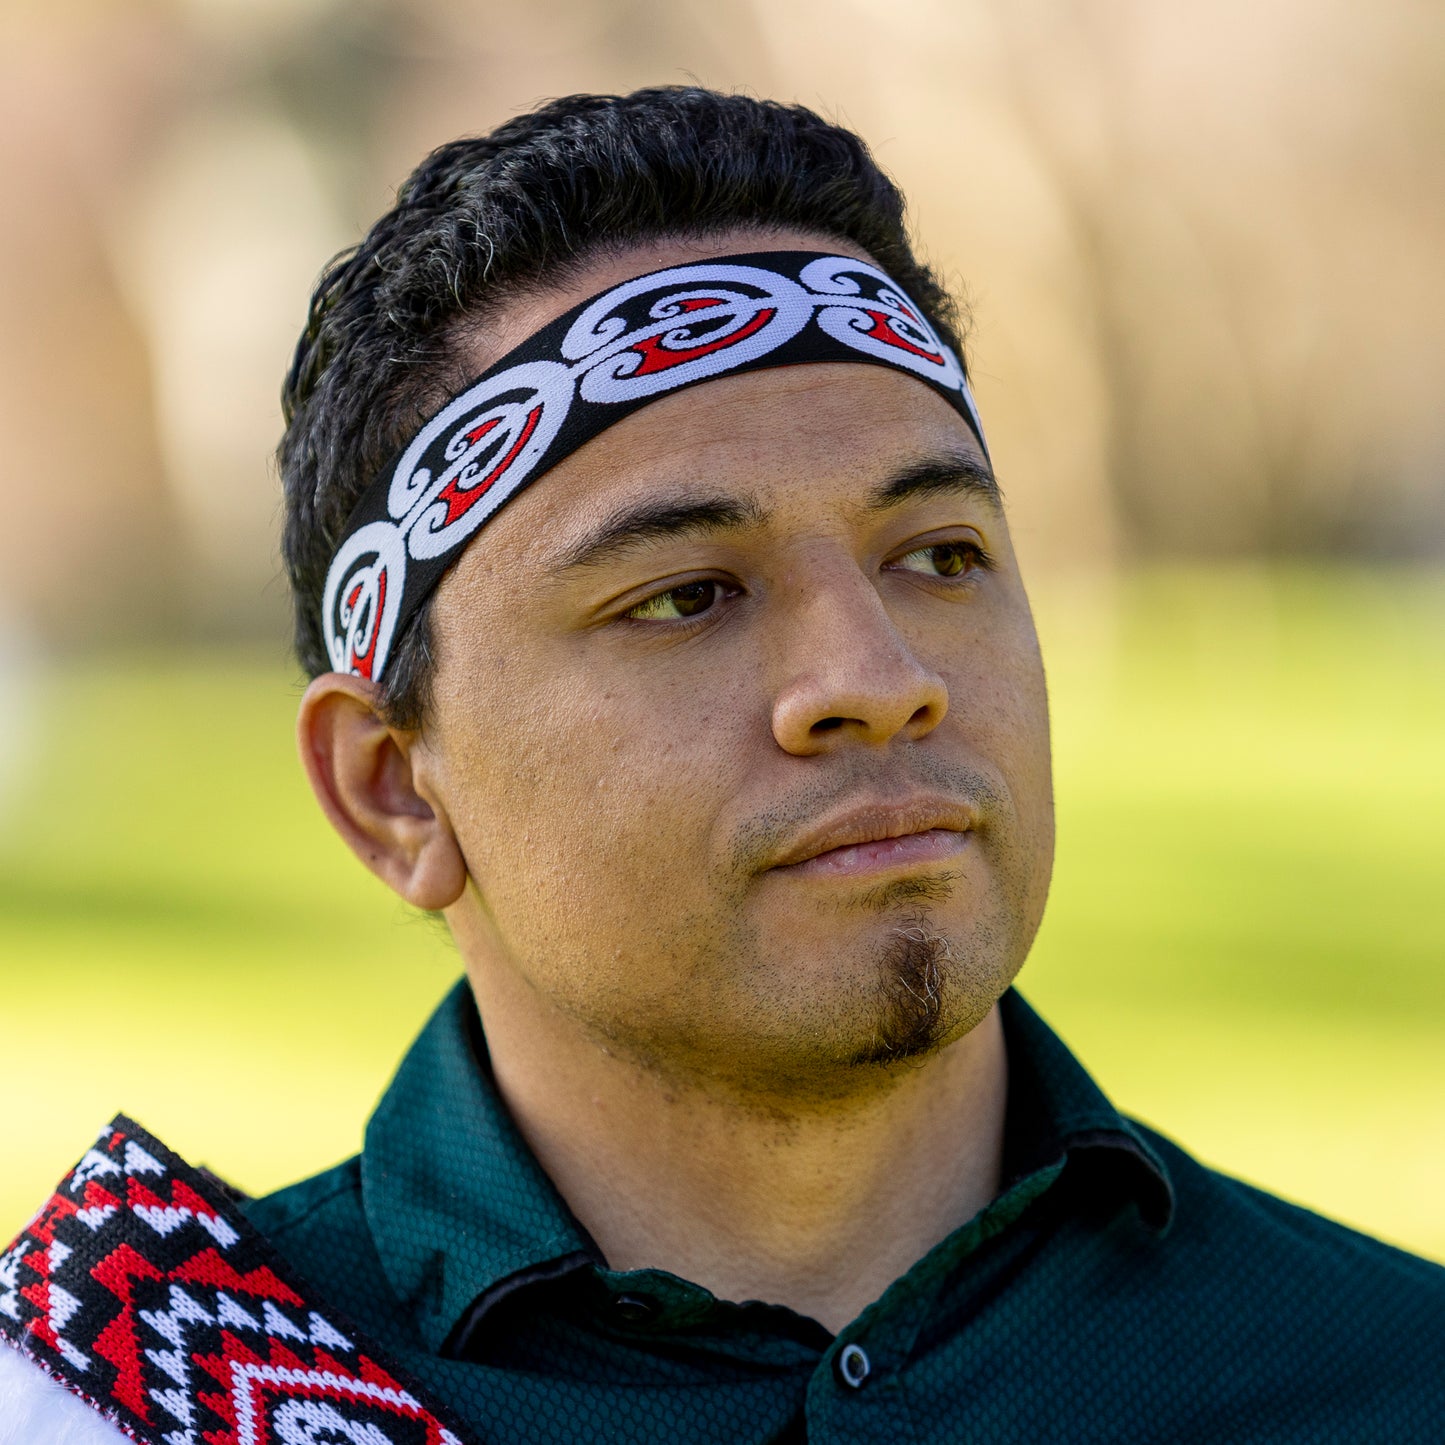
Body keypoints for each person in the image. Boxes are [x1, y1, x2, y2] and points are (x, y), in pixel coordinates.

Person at [2, 87, 1442, 1445]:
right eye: (686, 594)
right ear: (392, 786)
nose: (877, 678)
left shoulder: (1392, 1379)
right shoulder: (102, 1409)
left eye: (939, 556)